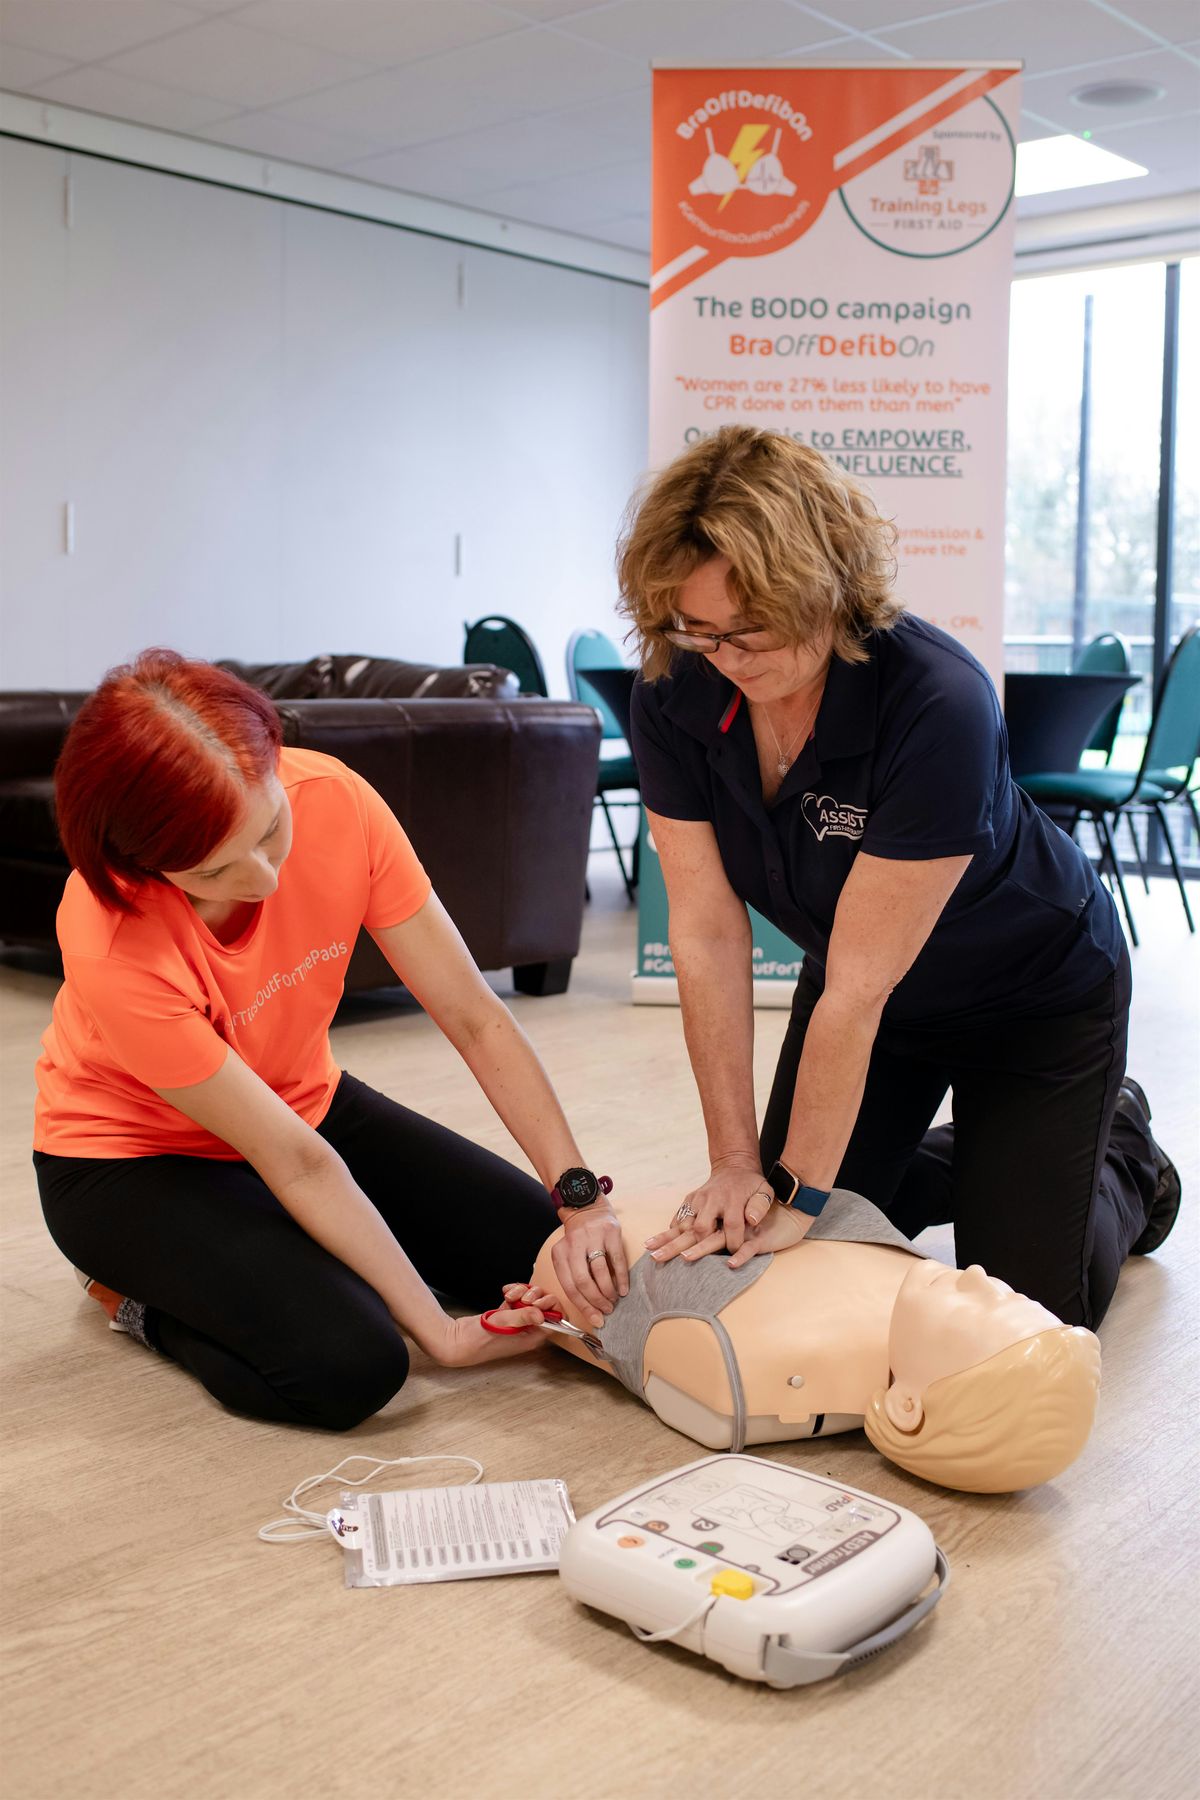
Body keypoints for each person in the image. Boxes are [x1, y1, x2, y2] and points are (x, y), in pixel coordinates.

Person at [590, 425, 1179, 1333]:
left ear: (825, 590)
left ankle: (1125, 1153)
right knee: (801, 1245)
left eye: (750, 631)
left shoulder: (938, 701)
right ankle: (982, 1158)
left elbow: (859, 989)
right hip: (872, 1006)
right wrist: (740, 1164)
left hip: (1033, 1002)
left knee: (1020, 1313)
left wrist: (799, 1194)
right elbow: (706, 933)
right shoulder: (677, 688)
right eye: (699, 633)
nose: (727, 662)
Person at [33, 649, 628, 1431]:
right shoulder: (111, 935)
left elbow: (476, 1017)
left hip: (303, 1103)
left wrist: (579, 1199)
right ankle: (137, 1299)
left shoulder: (337, 800)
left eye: (271, 828)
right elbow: (297, 1163)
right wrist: (441, 1334)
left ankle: (281, 1259)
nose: (267, 879)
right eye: (217, 869)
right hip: (133, 1162)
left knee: (537, 1250)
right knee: (351, 1363)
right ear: (147, 866)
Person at [523, 1191, 1103, 1494]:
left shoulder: (755, 1357)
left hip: (1050, 1001)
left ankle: (1128, 1152)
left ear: (907, 1406)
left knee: (1069, 1282)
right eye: (1004, 1293)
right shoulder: (906, 1286)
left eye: (983, 1308)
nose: (977, 1276)